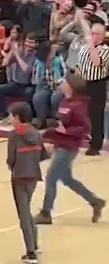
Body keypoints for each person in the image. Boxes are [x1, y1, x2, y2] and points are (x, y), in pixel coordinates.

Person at [35, 73, 106, 225]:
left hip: (68, 147)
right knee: (67, 179)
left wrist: (66, 132)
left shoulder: (78, 105)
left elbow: (86, 127)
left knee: (51, 177)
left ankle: (46, 213)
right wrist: (46, 134)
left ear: (71, 87)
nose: (61, 83)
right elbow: (61, 125)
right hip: (61, 144)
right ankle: (95, 201)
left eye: (64, 82)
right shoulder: (65, 102)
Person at [5, 102, 49, 264]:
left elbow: (11, 159)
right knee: (27, 210)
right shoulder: (37, 134)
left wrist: (13, 166)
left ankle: (31, 253)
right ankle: (35, 244)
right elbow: (44, 155)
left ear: (17, 117)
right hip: (33, 177)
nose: (10, 118)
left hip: (19, 177)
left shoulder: (14, 135)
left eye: (11, 115)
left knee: (23, 215)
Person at [74, 12, 109, 155]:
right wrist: (82, 19)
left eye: (96, 34)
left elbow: (96, 62)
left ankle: (96, 145)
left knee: (96, 115)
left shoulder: (105, 50)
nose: (92, 36)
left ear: (102, 36)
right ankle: (84, 137)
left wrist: (91, 45)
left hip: (97, 85)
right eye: (92, 33)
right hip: (83, 81)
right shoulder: (85, 46)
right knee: (84, 113)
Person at [0, 33, 38, 124]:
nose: (29, 45)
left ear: (36, 44)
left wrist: (17, 56)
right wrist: (12, 51)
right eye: (27, 42)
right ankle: (6, 115)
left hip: (29, 85)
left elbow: (26, 70)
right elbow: (4, 63)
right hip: (16, 84)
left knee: (29, 92)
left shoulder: (36, 55)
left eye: (32, 43)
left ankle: (27, 118)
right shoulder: (21, 51)